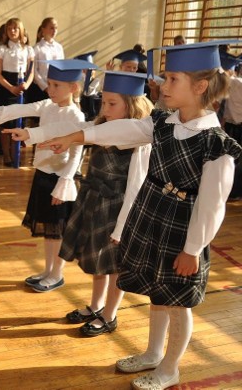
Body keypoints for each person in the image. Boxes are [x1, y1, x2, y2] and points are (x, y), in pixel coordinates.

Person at [40, 40, 242, 389]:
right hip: (153, 216)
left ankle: (169, 368)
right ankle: (152, 354)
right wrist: (79, 136)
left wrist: (193, 249)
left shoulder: (216, 144)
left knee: (178, 303)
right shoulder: (164, 122)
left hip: (182, 229)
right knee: (158, 294)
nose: (163, 85)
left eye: (172, 78)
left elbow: (213, 204)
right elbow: (123, 131)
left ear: (200, 86)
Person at [3, 71, 154, 336]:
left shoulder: (138, 141)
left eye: (111, 104)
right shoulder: (100, 125)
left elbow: (135, 186)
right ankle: (96, 306)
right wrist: (29, 133)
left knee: (114, 265)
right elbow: (68, 131)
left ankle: (110, 315)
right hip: (95, 203)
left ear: (131, 105)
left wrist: (121, 228)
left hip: (118, 210)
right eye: (103, 102)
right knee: (98, 262)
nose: (104, 109)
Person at [0, 59, 96, 292]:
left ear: (73, 88)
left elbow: (76, 155)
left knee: (57, 231)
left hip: (61, 181)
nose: (50, 89)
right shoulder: (48, 105)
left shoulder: (76, 117)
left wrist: (64, 183)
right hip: (43, 175)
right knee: (48, 230)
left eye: (56, 85)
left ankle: (57, 273)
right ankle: (48, 270)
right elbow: (22, 108)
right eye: (49, 84)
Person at [0, 17, 34, 166]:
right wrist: (11, 88)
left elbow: (31, 72)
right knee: (5, 122)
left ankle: (15, 151)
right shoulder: (2, 49)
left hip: (22, 85)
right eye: (9, 29)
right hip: (6, 86)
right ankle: (6, 154)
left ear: (21, 30)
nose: (12, 31)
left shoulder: (28, 49)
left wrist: (25, 86)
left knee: (18, 121)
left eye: (15, 28)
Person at [220, 52, 242, 201]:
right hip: (231, 126)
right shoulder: (233, 83)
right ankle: (232, 190)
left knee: (232, 160)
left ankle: (232, 191)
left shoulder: (234, 83)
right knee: (232, 160)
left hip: (234, 126)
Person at [28, 17, 64, 103]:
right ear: (43, 29)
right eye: (51, 28)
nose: (54, 30)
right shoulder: (37, 48)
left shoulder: (59, 47)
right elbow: (34, 71)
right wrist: (45, 87)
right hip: (41, 89)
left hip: (56, 88)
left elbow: (61, 66)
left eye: (56, 28)